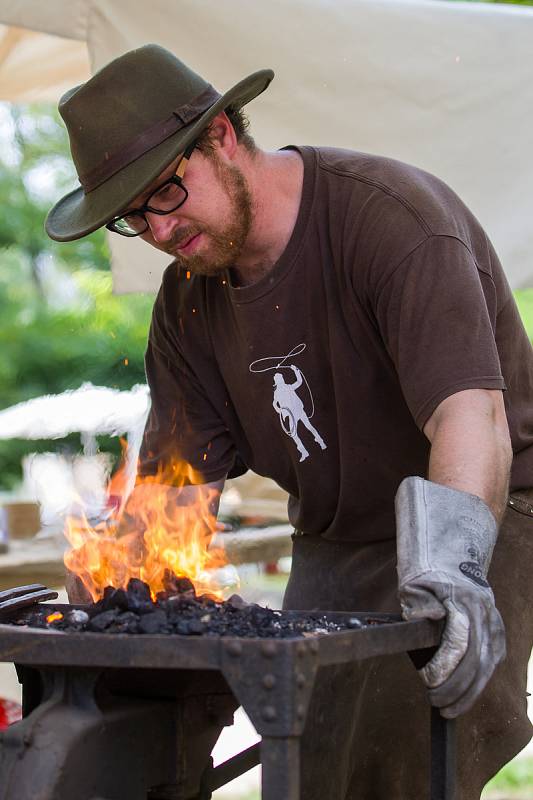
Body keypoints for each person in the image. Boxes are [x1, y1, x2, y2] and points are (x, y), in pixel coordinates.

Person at [46, 44, 533, 799]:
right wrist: (110, 583)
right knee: (304, 758)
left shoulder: (391, 221)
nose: (160, 233)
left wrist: (454, 568)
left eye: (166, 195)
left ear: (220, 136)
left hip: (485, 513)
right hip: (336, 535)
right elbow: (174, 496)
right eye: (132, 218)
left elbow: (470, 415)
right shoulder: (187, 305)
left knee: (393, 761)